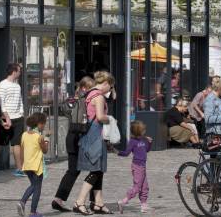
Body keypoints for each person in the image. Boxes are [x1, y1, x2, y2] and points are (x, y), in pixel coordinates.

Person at [73, 71, 115, 215]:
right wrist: (111, 120)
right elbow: (100, 116)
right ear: (106, 83)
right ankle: (79, 202)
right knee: (96, 170)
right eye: (111, 86)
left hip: (88, 136)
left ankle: (98, 203)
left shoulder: (89, 93)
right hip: (95, 136)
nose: (110, 89)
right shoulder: (99, 97)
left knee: (98, 170)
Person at [52, 76, 96, 212]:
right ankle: (94, 201)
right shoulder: (83, 101)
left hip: (71, 136)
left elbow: (66, 111)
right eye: (91, 88)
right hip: (81, 136)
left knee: (73, 170)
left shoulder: (71, 100)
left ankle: (58, 198)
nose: (93, 91)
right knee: (96, 168)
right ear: (84, 88)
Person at [18, 112, 50, 217]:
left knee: (34, 186)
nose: (44, 126)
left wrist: (22, 164)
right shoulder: (39, 137)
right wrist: (47, 139)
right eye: (43, 124)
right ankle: (28, 208)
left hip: (27, 166)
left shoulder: (24, 134)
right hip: (36, 167)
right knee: (36, 188)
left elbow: (22, 151)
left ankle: (30, 209)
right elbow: (45, 151)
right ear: (39, 124)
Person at [117, 120, 152, 214]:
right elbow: (126, 153)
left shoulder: (143, 140)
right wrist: (118, 152)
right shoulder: (132, 141)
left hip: (143, 166)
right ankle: (123, 201)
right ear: (138, 131)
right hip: (137, 167)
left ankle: (143, 205)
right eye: (143, 130)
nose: (145, 131)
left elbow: (147, 150)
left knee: (145, 186)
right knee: (137, 187)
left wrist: (149, 143)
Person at [0, 63, 26, 177]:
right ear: (14, 72)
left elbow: (20, 100)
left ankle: (19, 168)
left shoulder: (17, 85)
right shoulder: (2, 85)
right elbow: (1, 103)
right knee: (0, 143)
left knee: (17, 143)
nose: (20, 73)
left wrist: (21, 112)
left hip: (18, 118)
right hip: (6, 118)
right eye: (19, 71)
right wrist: (7, 117)